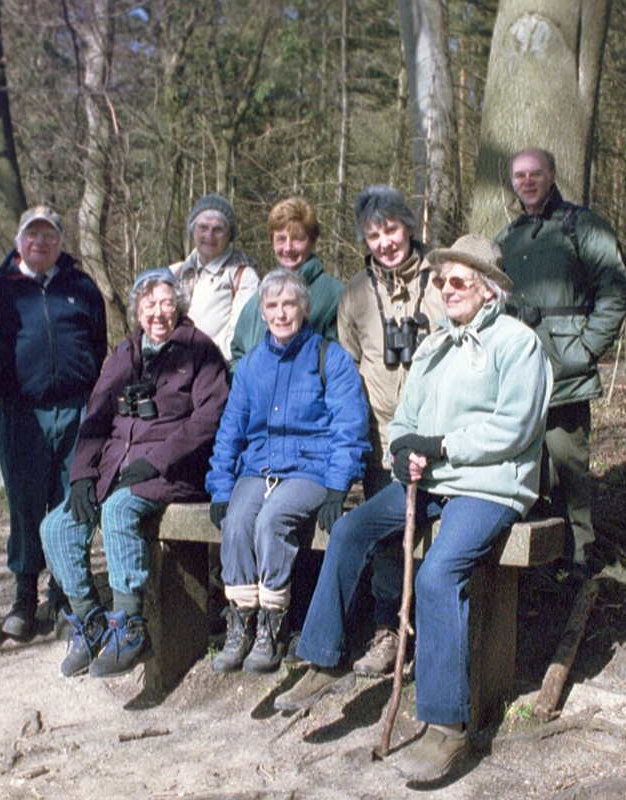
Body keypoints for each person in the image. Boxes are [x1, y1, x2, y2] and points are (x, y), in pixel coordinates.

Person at [276, 235, 551, 783]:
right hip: (428, 480)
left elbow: (515, 426)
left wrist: (442, 446)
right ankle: (326, 656)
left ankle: (447, 724)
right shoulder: (433, 348)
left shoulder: (518, 345)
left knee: (437, 575)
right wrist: (403, 450)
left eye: (459, 281)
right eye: (443, 280)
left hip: (490, 486)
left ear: (489, 291)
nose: (446, 289)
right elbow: (403, 420)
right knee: (351, 528)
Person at [39, 268, 229, 678]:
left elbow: (209, 419)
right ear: (137, 312)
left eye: (166, 303)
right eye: (149, 305)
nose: (158, 313)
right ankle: (90, 622)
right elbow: (96, 416)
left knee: (119, 512)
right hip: (114, 470)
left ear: (178, 306)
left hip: (171, 473)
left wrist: (155, 460)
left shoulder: (200, 351)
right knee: (55, 527)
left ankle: (130, 625)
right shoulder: (125, 353)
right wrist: (82, 474)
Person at [206, 269, 370, 674]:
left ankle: (273, 623)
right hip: (257, 467)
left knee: (272, 521)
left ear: (304, 308)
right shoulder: (250, 367)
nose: (281, 313)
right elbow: (230, 430)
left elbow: (349, 426)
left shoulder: (329, 357)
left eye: (289, 304)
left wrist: (337, 486)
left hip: (309, 469)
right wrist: (221, 487)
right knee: (239, 521)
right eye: (272, 306)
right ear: (262, 313)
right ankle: (240, 622)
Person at [495, 148, 626, 575]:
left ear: (553, 175)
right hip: (520, 372)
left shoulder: (582, 226)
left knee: (568, 466)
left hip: (566, 371)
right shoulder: (508, 237)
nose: (528, 181)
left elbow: (616, 291)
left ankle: (579, 557)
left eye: (536, 173)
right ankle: (536, 561)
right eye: (520, 175)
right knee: (525, 468)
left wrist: (587, 348)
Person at [0, 206, 108, 641]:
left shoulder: (81, 287)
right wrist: (10, 395)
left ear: (60, 242)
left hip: (76, 410)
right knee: (26, 502)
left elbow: (98, 343)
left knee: (72, 500)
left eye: (49, 236)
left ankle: (63, 593)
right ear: (19, 242)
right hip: (23, 413)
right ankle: (23, 593)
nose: (41, 243)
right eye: (32, 235)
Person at [336, 185, 446, 677]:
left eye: (392, 230)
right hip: (381, 440)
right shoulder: (355, 294)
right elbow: (346, 365)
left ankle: (433, 630)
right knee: (385, 540)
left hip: (434, 439)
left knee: (434, 537)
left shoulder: (443, 281)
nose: (384, 242)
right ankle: (388, 631)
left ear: (410, 228)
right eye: (373, 234)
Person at [228, 197, 341, 371]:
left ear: (311, 241)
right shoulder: (260, 295)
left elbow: (339, 363)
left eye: (297, 239)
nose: (288, 248)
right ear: (272, 242)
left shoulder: (334, 295)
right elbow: (238, 354)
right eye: (281, 239)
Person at [170, 194, 259, 362]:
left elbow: (238, 339)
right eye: (203, 227)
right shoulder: (176, 273)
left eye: (218, 229)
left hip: (216, 369)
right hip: (174, 367)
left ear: (229, 235)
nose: (209, 236)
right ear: (192, 231)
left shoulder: (244, 277)